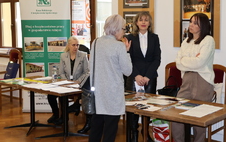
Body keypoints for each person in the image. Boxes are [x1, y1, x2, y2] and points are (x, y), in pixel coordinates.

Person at [88, 14, 132, 142]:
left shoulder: (95, 42)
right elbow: (128, 71)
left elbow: (92, 66)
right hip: (113, 93)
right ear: (117, 29)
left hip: (98, 92)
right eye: (123, 29)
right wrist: (127, 52)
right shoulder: (119, 46)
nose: (124, 32)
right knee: (110, 130)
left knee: (96, 127)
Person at [172, 13, 215, 142]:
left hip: (203, 82)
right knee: (176, 114)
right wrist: (191, 60)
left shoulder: (208, 40)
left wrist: (186, 61)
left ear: (203, 25)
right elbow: (178, 63)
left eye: (195, 23)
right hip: (187, 80)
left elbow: (200, 62)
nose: (191, 25)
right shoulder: (186, 41)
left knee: (199, 119)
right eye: (191, 22)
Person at [125, 11, 161, 142]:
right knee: (133, 108)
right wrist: (137, 76)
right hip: (133, 77)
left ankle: (145, 132)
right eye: (141, 20)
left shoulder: (154, 38)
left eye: (146, 20)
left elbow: (157, 59)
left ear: (150, 23)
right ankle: (133, 134)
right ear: (136, 23)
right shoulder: (129, 37)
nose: (144, 22)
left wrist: (147, 76)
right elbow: (127, 59)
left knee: (148, 107)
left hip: (149, 79)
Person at [47, 36, 89, 126]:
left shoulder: (83, 55)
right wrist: (66, 81)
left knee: (63, 96)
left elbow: (87, 72)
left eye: (77, 45)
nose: (76, 47)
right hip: (66, 83)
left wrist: (78, 81)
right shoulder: (63, 56)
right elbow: (61, 72)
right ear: (69, 45)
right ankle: (56, 114)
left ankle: (63, 118)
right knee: (50, 95)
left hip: (79, 84)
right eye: (73, 45)